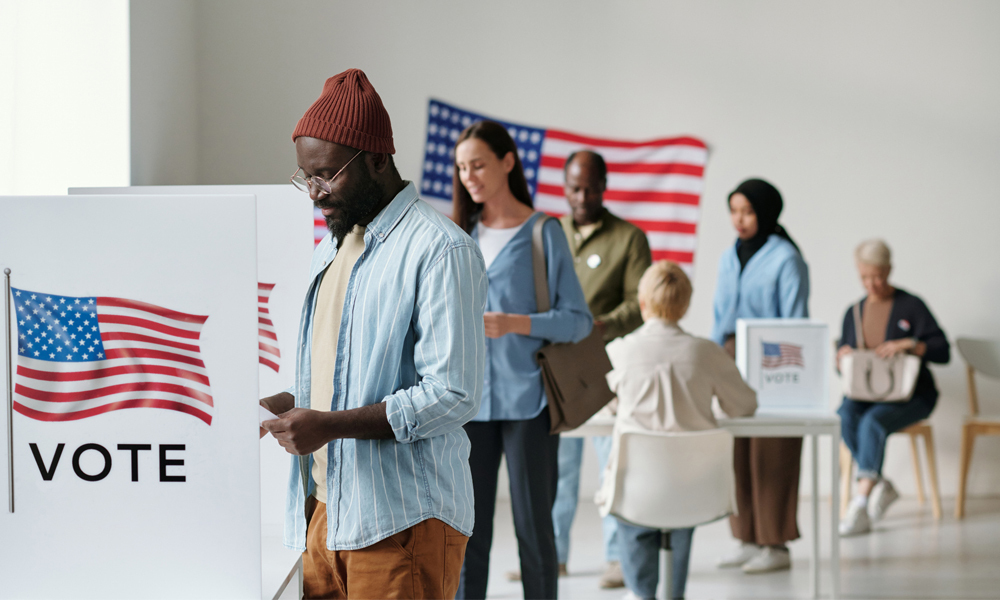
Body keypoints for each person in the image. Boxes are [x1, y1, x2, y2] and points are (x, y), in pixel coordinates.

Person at [258, 69, 487, 599]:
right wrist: (297, 404)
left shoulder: (440, 250)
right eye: (304, 178)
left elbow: (452, 394)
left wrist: (329, 424)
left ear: (378, 159)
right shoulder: (336, 246)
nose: (314, 194)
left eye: (326, 176)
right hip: (324, 516)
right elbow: (350, 374)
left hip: (404, 524)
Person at [452, 120, 592, 600]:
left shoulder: (543, 232)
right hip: (467, 404)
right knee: (467, 532)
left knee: (535, 530)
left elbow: (578, 321)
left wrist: (517, 323)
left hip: (528, 402)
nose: (470, 176)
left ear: (508, 162)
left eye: (479, 164)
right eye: (462, 167)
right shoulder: (457, 234)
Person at [598, 261, 758, 600]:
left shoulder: (618, 353)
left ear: (642, 303)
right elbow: (744, 405)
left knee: (633, 507)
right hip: (693, 490)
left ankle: (641, 593)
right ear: (684, 306)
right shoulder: (707, 353)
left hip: (636, 491)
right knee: (681, 512)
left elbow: (602, 407)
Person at [549, 150, 651, 588]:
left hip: (608, 365)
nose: (582, 196)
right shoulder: (550, 233)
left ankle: (617, 557)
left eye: (591, 187)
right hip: (554, 366)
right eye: (574, 187)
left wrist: (600, 325)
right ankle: (553, 555)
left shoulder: (629, 238)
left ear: (604, 186)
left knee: (614, 463)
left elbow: (641, 303)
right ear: (564, 186)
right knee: (558, 467)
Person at [711, 178, 809, 574]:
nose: (740, 220)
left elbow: (796, 320)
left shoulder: (786, 258)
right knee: (737, 447)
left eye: (748, 212)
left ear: (766, 213)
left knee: (773, 450)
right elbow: (720, 314)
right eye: (734, 211)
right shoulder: (727, 256)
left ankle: (777, 543)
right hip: (732, 357)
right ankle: (747, 537)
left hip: (773, 358)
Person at [837, 239, 950, 536]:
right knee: (844, 415)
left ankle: (860, 503)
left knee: (873, 422)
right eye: (864, 277)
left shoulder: (911, 305)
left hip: (912, 395)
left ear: (889, 270)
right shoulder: (855, 312)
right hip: (865, 393)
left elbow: (943, 351)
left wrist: (911, 344)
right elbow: (846, 361)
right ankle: (880, 483)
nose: (871, 284)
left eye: (877, 276)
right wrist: (841, 357)